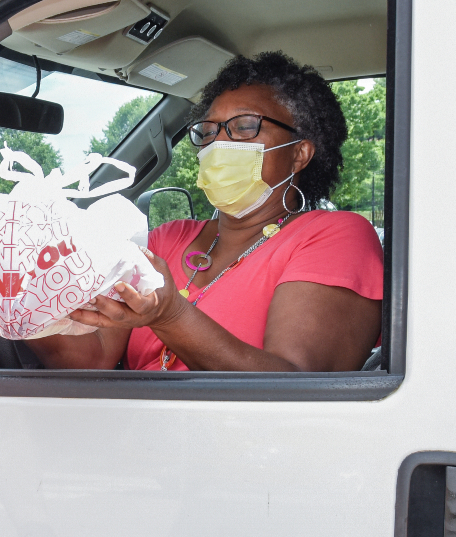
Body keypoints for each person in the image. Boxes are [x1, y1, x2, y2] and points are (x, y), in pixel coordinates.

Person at [30, 51, 383, 372]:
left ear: (299, 153)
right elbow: (92, 359)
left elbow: (293, 388)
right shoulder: (168, 237)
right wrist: (16, 289)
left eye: (245, 127)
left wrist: (170, 315)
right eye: (208, 130)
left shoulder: (335, 236)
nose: (219, 143)